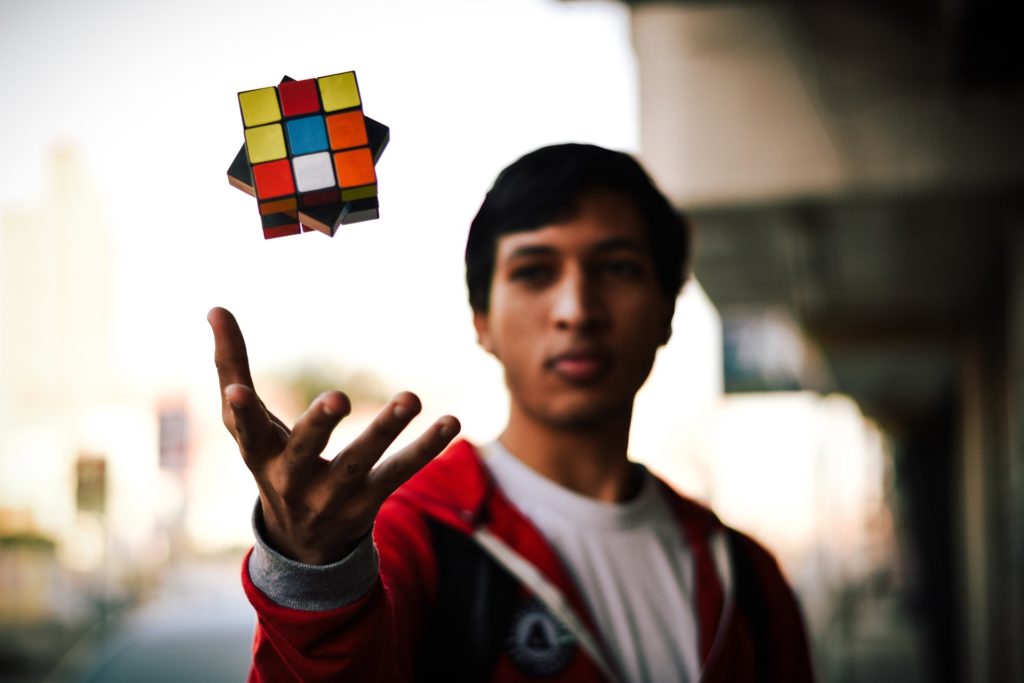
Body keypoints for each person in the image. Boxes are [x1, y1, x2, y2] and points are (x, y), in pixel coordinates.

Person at [209, 144, 814, 682]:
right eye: (533, 272)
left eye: (619, 268)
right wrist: (312, 576)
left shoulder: (747, 575)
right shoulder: (400, 539)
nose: (576, 310)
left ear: (666, 314)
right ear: (483, 323)